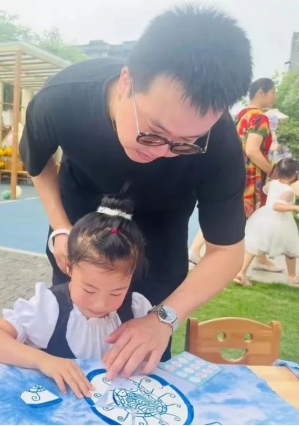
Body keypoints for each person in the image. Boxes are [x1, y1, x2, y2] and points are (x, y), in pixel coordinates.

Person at [20, 4, 251, 378]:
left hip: (159, 243)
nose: (161, 152)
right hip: (80, 232)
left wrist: (164, 318)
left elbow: (226, 252)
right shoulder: (61, 100)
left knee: (144, 364)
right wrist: (60, 225)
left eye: (185, 143)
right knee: (69, 345)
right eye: (154, 132)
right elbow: (37, 162)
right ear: (126, 82)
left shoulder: (220, 144)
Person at [0, 196, 151, 398]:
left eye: (116, 292)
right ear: (69, 267)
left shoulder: (136, 309)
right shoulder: (49, 307)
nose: (101, 304)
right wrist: (43, 360)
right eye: (89, 290)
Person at [190, 78, 280, 271]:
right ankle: (198, 249)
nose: (274, 97)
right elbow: (252, 150)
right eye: (273, 92)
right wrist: (273, 171)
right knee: (240, 213)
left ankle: (260, 258)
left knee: (230, 212)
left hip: (232, 168)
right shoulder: (260, 118)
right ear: (261, 92)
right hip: (250, 174)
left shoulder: (240, 115)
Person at [235, 158, 299, 286]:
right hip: (280, 223)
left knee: (253, 248)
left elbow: (265, 190)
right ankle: (291, 276)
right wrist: (295, 207)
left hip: (264, 219)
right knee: (290, 251)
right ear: (294, 175)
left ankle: (241, 273)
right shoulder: (288, 191)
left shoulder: (274, 183)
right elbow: (277, 206)